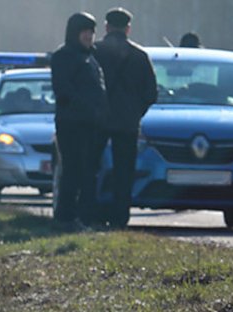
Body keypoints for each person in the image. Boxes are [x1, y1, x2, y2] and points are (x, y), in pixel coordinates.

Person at [93, 7, 158, 228]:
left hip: (97, 121)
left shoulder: (94, 52)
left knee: (90, 168)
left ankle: (90, 212)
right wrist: (135, 112)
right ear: (128, 29)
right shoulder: (140, 56)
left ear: (106, 27)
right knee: (124, 172)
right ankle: (120, 217)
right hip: (127, 123)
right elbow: (151, 94)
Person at [50, 12, 108, 229]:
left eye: (92, 32)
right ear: (74, 33)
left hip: (92, 125)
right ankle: (66, 217)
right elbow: (63, 89)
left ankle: (85, 217)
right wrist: (86, 105)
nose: (89, 36)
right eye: (84, 32)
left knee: (89, 173)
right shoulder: (63, 56)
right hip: (72, 124)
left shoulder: (91, 58)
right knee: (73, 171)